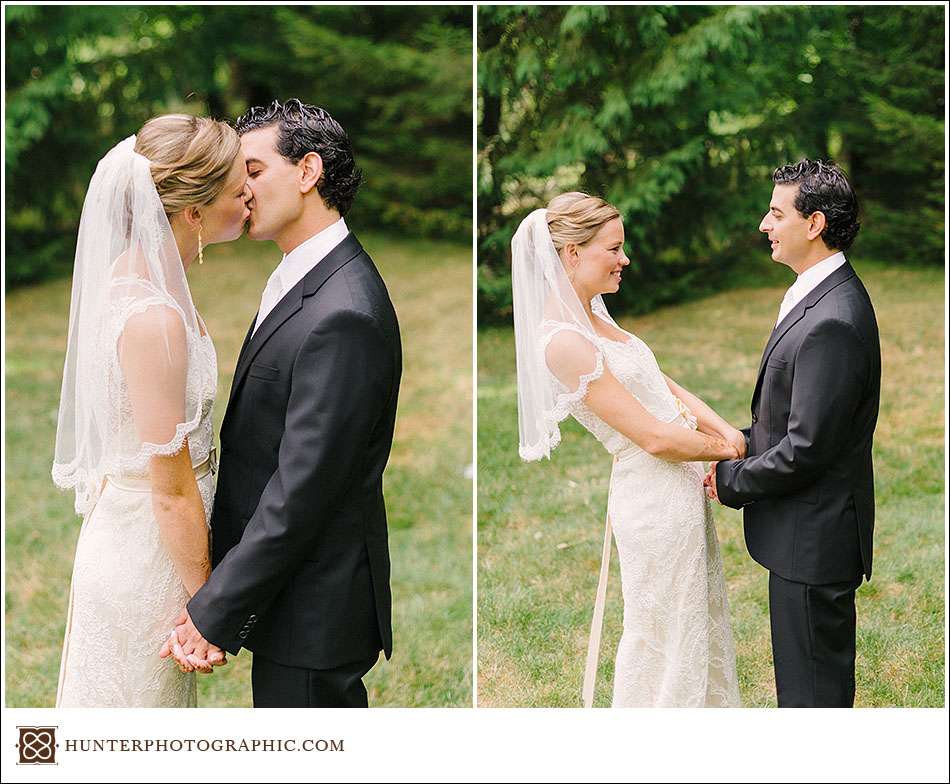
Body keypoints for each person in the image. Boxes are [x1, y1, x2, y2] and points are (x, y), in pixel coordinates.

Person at [162, 99, 402, 709]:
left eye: (255, 170)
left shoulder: (343, 310)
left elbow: (304, 489)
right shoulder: (302, 275)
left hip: (316, 605)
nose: (239, 189)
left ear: (308, 171)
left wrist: (213, 610)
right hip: (291, 594)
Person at [512, 192, 741, 707]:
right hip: (653, 499)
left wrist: (727, 430)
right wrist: (726, 453)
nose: (625, 259)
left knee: (698, 622)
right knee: (663, 635)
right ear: (572, 253)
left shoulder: (594, 311)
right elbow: (655, 437)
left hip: (679, 489)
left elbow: (662, 384)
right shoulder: (562, 342)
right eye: (613, 249)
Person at [52, 115, 251, 706]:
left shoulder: (144, 286)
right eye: (237, 188)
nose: (249, 196)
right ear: (193, 213)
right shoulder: (153, 318)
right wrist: (207, 606)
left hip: (145, 538)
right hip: (146, 555)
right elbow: (170, 485)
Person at [705, 159, 880, 708]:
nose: (764, 224)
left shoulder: (833, 318)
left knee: (812, 700)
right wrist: (728, 441)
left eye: (776, 213)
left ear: (814, 224)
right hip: (807, 533)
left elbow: (807, 448)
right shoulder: (817, 294)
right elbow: (791, 422)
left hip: (815, 540)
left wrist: (730, 479)